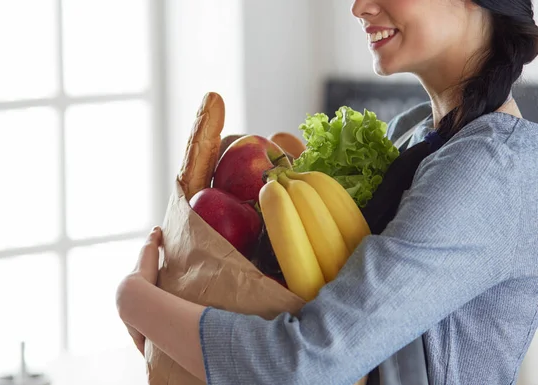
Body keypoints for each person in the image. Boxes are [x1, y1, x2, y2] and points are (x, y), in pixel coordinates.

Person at [116, 1, 538, 384]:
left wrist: (135, 300)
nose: (358, 7)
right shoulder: (412, 132)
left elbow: (307, 363)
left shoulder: (492, 169)